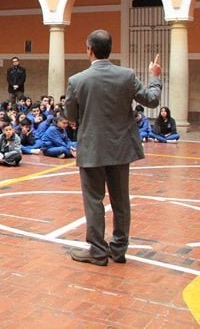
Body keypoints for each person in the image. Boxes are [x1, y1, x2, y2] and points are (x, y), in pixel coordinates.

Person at [64, 29, 161, 266]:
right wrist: (155, 77)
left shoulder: (77, 80)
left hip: (92, 147)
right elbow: (152, 99)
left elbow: (71, 115)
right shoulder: (126, 75)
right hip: (120, 147)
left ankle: (98, 251)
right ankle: (118, 249)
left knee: (94, 201)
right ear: (110, 49)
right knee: (121, 200)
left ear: (89, 49)